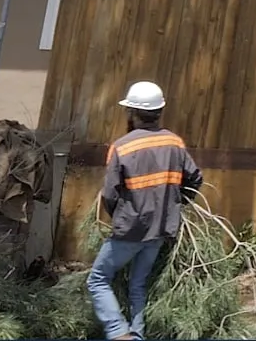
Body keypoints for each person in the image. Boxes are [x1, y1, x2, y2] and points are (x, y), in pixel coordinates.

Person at [87, 81, 202, 341]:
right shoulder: (175, 142)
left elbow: (110, 194)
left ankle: (118, 332)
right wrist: (174, 204)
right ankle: (137, 335)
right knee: (137, 285)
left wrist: (117, 217)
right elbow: (195, 179)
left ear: (132, 113)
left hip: (130, 229)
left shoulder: (122, 146)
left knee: (97, 279)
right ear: (159, 111)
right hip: (162, 227)